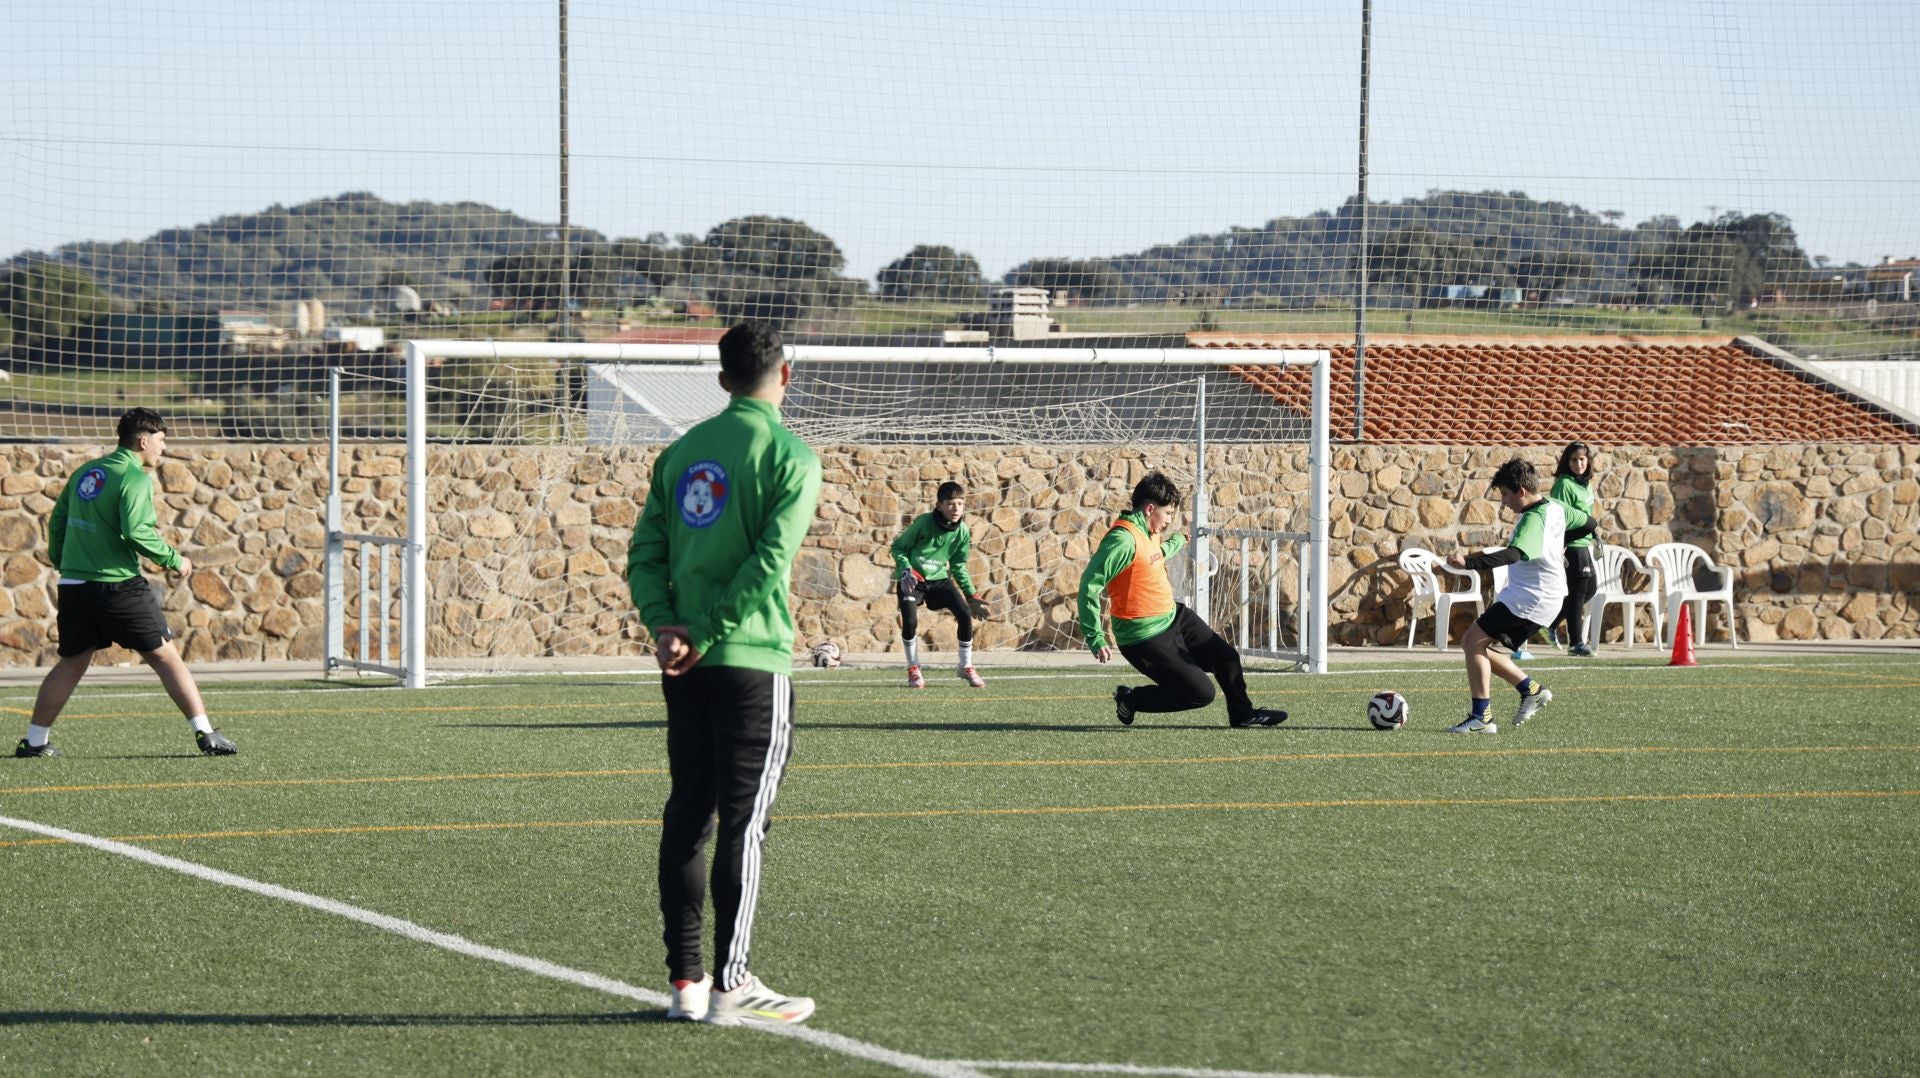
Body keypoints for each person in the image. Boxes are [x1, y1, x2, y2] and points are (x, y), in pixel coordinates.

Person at [626, 320, 822, 1027]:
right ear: (785, 375)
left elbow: (644, 555)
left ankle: (686, 983)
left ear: (721, 380)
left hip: (683, 664)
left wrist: (667, 627)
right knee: (743, 825)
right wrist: (708, 632)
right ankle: (731, 985)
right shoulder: (791, 455)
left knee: (688, 814)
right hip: (750, 662)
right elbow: (770, 561)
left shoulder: (682, 452)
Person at [15, 408, 236, 759]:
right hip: (117, 586)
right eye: (161, 440)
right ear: (143, 441)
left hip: (74, 584)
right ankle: (206, 734)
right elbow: (137, 532)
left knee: (72, 662)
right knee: (166, 657)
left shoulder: (86, 472)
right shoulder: (133, 478)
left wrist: (63, 562)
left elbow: (57, 523)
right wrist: (174, 559)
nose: (164, 448)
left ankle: (35, 741)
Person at [1077, 471, 1287, 729]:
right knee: (1201, 693)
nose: (1168, 521)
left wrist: (1176, 541)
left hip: (1174, 617)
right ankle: (1131, 699)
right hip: (1143, 636)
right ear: (1150, 509)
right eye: (1167, 514)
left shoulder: (1148, 530)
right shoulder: (1122, 540)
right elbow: (1089, 586)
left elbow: (1153, 556)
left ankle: (1243, 714)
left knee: (1227, 658)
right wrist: (1095, 636)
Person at [1444, 458, 1587, 734]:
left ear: (1521, 491)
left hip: (1530, 598)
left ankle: (1482, 718)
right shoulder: (1555, 506)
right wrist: (1559, 548)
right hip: (1541, 597)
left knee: (1472, 641)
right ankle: (1530, 690)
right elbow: (1588, 522)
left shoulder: (1533, 518)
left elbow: (1513, 554)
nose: (1504, 502)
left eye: (1506, 495)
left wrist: (1468, 563)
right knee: (1480, 647)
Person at [890, 480, 990, 689]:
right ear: (939, 505)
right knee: (910, 621)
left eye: (960, 504)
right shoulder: (924, 523)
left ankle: (966, 666)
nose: (956, 508)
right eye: (950, 503)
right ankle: (913, 668)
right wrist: (906, 569)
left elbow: (958, 565)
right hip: (912, 580)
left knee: (964, 614)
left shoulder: (962, 532)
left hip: (939, 580)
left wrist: (971, 595)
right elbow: (898, 547)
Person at [1547, 441, 1601, 656]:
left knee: (1590, 588)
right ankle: (1576, 643)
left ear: (1588, 461)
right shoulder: (1564, 484)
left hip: (1584, 543)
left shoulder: (1585, 484)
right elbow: (1558, 516)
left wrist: (1593, 534)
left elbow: (1586, 514)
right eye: (1574, 460)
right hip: (1571, 544)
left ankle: (1550, 624)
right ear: (1566, 462)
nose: (1579, 463)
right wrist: (1560, 545)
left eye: (1582, 459)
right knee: (1577, 593)